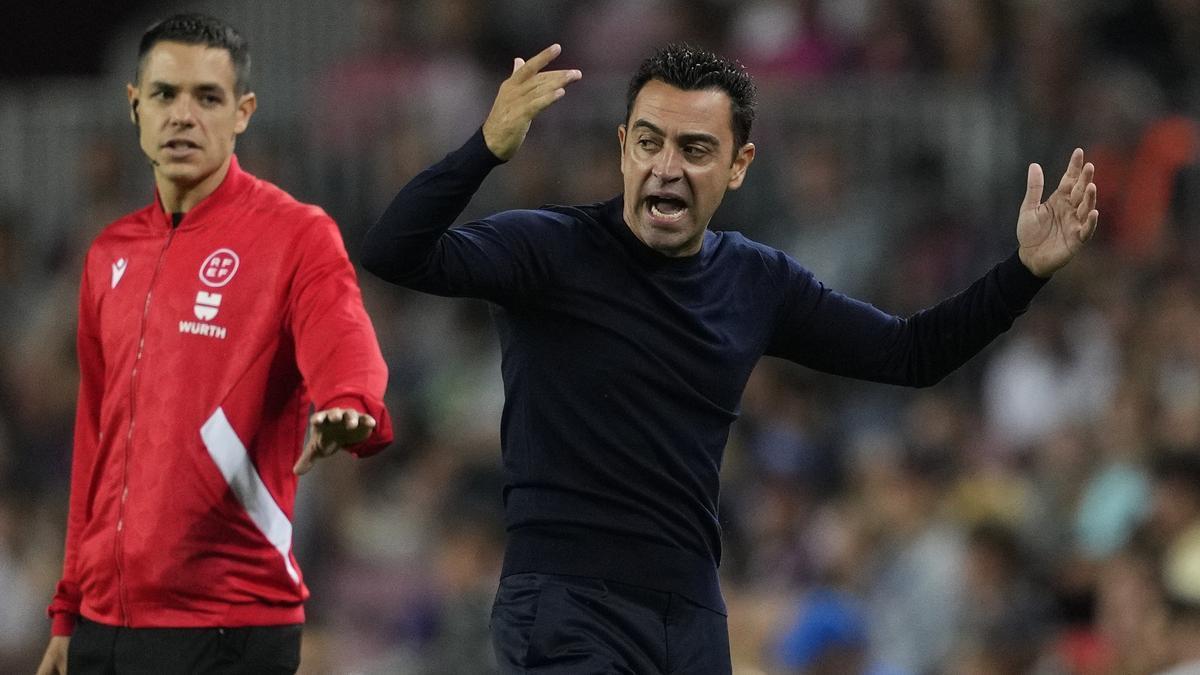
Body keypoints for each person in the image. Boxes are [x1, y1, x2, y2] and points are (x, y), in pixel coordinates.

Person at [360, 42, 1098, 673]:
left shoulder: (756, 281)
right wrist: (485, 146)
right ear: (622, 146)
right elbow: (394, 251)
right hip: (562, 602)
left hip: (690, 617)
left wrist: (1023, 272)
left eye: (695, 148)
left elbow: (912, 353)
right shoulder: (548, 249)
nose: (666, 167)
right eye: (648, 142)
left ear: (740, 164)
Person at [35, 13, 393, 675]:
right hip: (102, 627)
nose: (183, 115)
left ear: (243, 113)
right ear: (135, 105)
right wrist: (68, 611)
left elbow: (345, 336)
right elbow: (96, 442)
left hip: (227, 625)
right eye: (165, 94)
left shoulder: (295, 235)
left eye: (208, 97)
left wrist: (349, 402)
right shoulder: (109, 252)